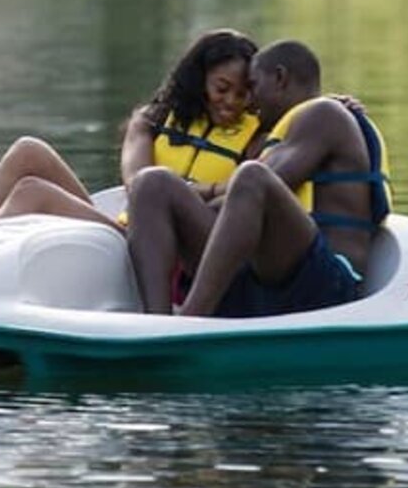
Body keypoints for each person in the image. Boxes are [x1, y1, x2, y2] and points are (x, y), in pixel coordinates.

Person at [125, 39, 389, 316]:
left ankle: (190, 319)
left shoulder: (324, 115)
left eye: (252, 86)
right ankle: (157, 323)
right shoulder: (284, 132)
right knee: (151, 183)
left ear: (279, 77)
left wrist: (193, 205)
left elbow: (251, 191)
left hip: (325, 284)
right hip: (265, 278)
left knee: (251, 176)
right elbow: (235, 206)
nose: (248, 103)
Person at [0, 29, 262, 230]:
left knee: (32, 193)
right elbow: (139, 186)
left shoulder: (254, 138)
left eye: (242, 93)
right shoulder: (150, 121)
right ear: (200, 80)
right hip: (125, 232)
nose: (231, 102)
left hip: (162, 246)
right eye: (222, 89)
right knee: (28, 151)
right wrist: (212, 189)